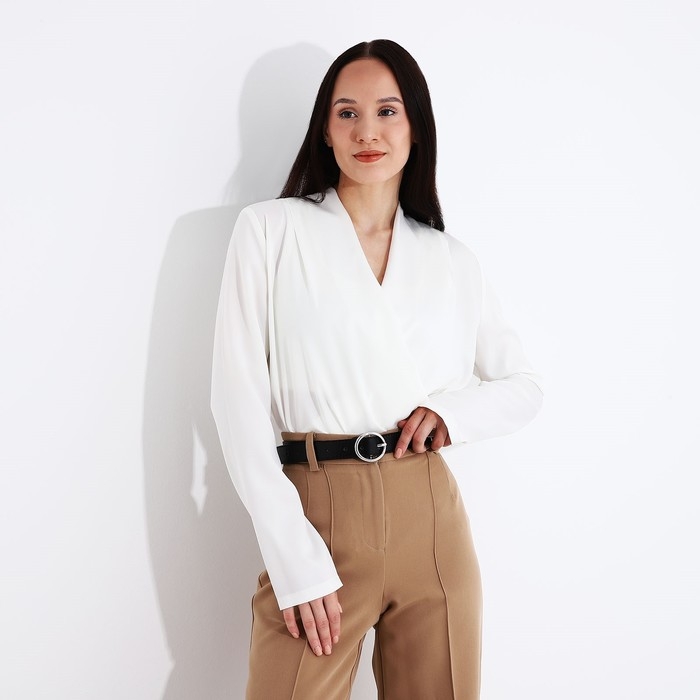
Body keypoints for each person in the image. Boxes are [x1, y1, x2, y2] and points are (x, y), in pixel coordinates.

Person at [211, 38, 543, 700]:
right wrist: (294, 558)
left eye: (388, 111)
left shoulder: (451, 258)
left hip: (431, 517)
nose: (367, 131)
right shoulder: (270, 231)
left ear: (416, 127)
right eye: (347, 113)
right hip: (317, 514)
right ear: (325, 130)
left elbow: (524, 387)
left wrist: (451, 411)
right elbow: (235, 399)